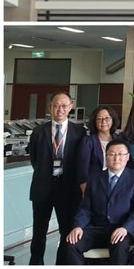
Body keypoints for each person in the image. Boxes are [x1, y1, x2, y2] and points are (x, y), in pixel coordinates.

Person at [63, 139, 134, 265]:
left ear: (127, 157)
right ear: (106, 157)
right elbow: (85, 208)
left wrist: (126, 228)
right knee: (71, 243)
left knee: (119, 246)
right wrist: (78, 226)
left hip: (121, 228)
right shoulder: (95, 178)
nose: (116, 158)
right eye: (112, 154)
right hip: (96, 228)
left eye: (121, 154)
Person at [28, 91, 86, 265]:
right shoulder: (39, 131)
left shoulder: (80, 132)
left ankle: (61, 264)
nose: (59, 109)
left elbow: (81, 160)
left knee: (66, 230)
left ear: (70, 107)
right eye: (55, 105)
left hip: (68, 189)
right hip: (42, 187)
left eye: (63, 105)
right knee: (39, 231)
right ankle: (36, 263)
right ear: (50, 107)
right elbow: (34, 159)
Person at [77, 105, 121, 193]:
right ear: (94, 122)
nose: (103, 121)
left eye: (107, 118)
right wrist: (85, 192)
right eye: (99, 119)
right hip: (95, 187)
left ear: (113, 120)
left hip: (118, 186)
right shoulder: (87, 141)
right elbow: (82, 170)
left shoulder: (119, 140)